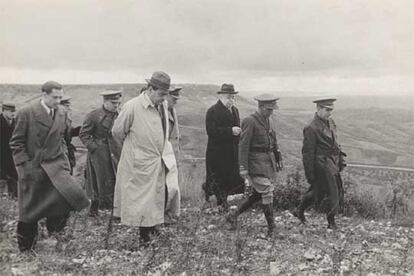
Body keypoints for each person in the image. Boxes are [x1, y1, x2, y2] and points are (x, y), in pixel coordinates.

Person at [10, 81, 89, 252]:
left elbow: (62, 138)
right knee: (29, 212)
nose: (58, 101)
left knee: (68, 199)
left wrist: (65, 161)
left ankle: (56, 236)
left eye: (61, 97)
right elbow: (16, 143)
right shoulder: (27, 113)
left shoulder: (61, 113)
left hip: (57, 167)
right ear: (43, 95)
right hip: (34, 169)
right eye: (55, 97)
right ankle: (26, 248)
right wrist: (24, 167)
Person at [112, 71, 176, 244]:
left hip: (158, 159)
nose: (164, 99)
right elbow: (117, 132)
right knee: (142, 200)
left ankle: (153, 228)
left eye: (165, 95)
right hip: (139, 163)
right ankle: (144, 237)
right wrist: (134, 152)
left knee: (156, 197)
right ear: (150, 89)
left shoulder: (161, 105)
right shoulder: (132, 107)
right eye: (161, 94)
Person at [226, 93, 283, 238]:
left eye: (272, 109)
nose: (271, 112)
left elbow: (273, 140)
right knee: (267, 191)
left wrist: (278, 157)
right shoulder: (250, 121)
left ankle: (233, 214)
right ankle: (272, 228)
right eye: (269, 109)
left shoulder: (269, 120)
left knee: (258, 194)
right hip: (254, 163)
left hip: (267, 162)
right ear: (261, 107)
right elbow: (243, 146)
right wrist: (243, 169)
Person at [292, 98, 346, 230]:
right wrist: (310, 174)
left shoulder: (330, 123)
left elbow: (335, 143)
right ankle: (331, 221)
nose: (330, 113)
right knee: (334, 192)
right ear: (318, 109)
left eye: (331, 110)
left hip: (332, 163)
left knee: (318, 192)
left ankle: (299, 210)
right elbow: (307, 153)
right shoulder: (311, 128)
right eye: (327, 110)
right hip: (321, 165)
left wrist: (341, 158)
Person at [79, 91, 122, 216]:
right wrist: (94, 148)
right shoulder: (94, 115)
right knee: (98, 180)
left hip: (116, 151)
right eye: (113, 103)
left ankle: (116, 208)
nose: (116, 106)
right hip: (99, 154)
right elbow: (84, 134)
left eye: (118, 103)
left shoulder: (120, 115)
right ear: (105, 102)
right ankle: (95, 208)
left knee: (117, 178)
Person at [204, 83, 244, 211]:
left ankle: (226, 200)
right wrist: (230, 131)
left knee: (230, 175)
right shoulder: (212, 111)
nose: (231, 100)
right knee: (219, 176)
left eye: (233, 97)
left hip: (232, 150)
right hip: (217, 152)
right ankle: (220, 202)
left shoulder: (235, 110)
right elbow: (211, 131)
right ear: (221, 96)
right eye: (228, 97)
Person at [164, 86, 183, 222]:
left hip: (172, 155)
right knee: (167, 187)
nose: (175, 102)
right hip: (163, 156)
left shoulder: (172, 110)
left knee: (172, 187)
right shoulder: (160, 111)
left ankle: (171, 214)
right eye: (173, 99)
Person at [59, 96, 81, 175]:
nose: (69, 108)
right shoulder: (55, 120)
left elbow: (69, 133)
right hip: (60, 153)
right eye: (66, 106)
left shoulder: (67, 119)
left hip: (67, 151)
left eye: (68, 106)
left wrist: (80, 129)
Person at [0, 102, 18, 198]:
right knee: (3, 177)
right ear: (4, 111)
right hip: (1, 156)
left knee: (14, 176)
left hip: (13, 155)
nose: (13, 113)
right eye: (11, 111)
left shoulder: (15, 122)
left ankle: (14, 197)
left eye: (14, 111)